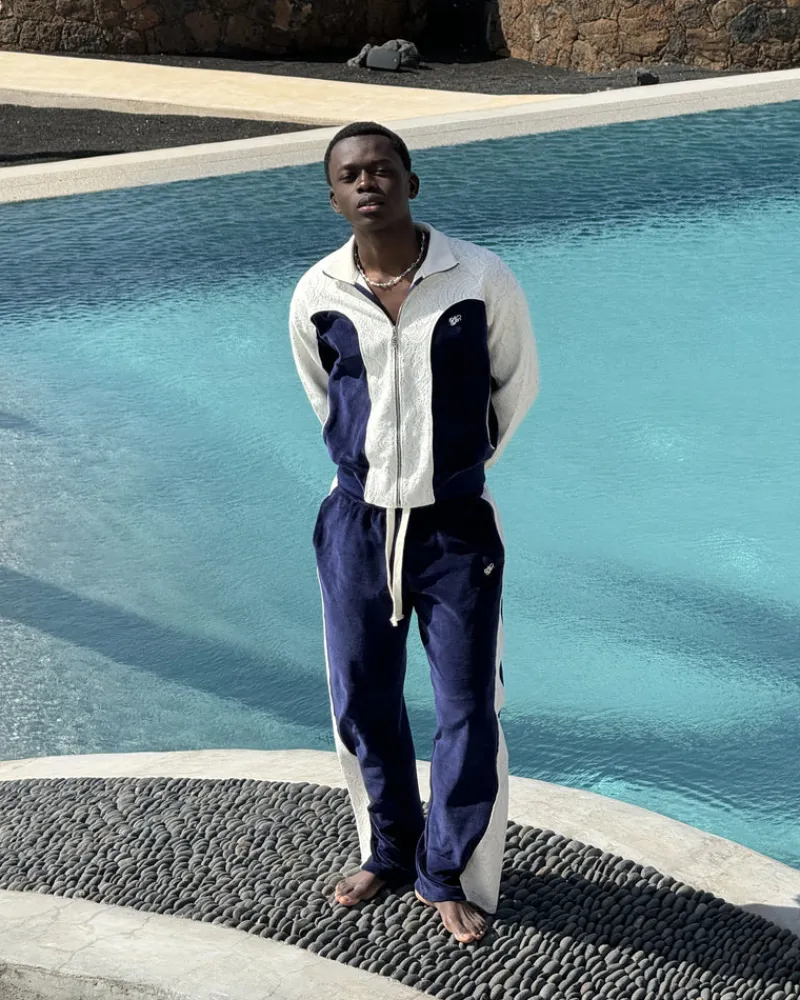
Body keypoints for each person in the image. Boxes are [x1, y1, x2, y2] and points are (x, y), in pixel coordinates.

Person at [289, 121, 538, 943]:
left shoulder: (479, 277)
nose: (368, 183)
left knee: (468, 708)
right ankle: (390, 849)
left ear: (410, 181)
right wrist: (376, 477)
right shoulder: (317, 292)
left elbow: (515, 386)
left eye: (382, 169)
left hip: (455, 528)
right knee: (362, 698)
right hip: (355, 525)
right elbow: (325, 397)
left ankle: (448, 873)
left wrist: (447, 471)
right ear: (333, 196)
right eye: (350, 175)